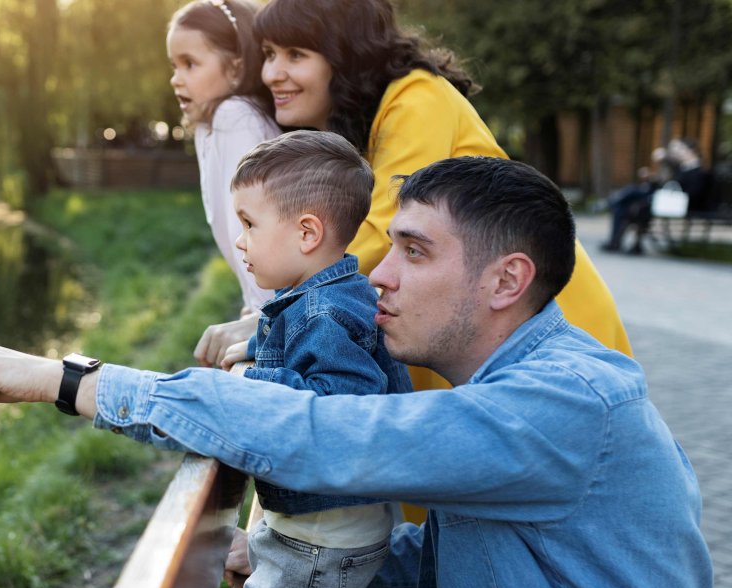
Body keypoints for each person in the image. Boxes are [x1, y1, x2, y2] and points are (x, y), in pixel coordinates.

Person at [0, 157, 712, 588]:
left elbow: (329, 435)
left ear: (507, 281)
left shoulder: (564, 404)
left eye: (414, 253)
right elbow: (460, 559)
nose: (378, 275)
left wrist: (67, 380)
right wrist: (303, 555)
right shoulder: (518, 400)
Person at [195, 0, 632, 380]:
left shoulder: (417, 98)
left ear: (345, 57)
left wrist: (278, 317)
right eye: (269, 54)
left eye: (296, 54)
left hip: (538, 321)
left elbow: (375, 230)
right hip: (485, 323)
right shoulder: (361, 124)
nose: (273, 73)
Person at [219, 130, 412, 588]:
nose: (240, 240)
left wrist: (251, 378)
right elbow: (305, 353)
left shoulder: (324, 311)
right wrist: (257, 349)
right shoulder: (327, 294)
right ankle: (263, 551)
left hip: (323, 538)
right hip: (318, 528)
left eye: (248, 223)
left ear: (307, 233)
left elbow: (340, 407)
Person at [167, 0, 282, 363]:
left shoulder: (236, 118)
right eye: (174, 66)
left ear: (235, 68)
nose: (175, 78)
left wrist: (264, 316)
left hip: (277, 311)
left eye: (190, 64)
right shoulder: (210, 124)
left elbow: (256, 228)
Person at [602, 138, 708, 255]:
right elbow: (667, 184)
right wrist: (653, 177)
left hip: (677, 203)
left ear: (691, 151)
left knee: (636, 203)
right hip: (665, 199)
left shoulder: (697, 171)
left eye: (680, 149)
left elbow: (691, 192)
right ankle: (620, 239)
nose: (676, 152)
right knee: (624, 205)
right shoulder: (681, 167)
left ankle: (620, 234)